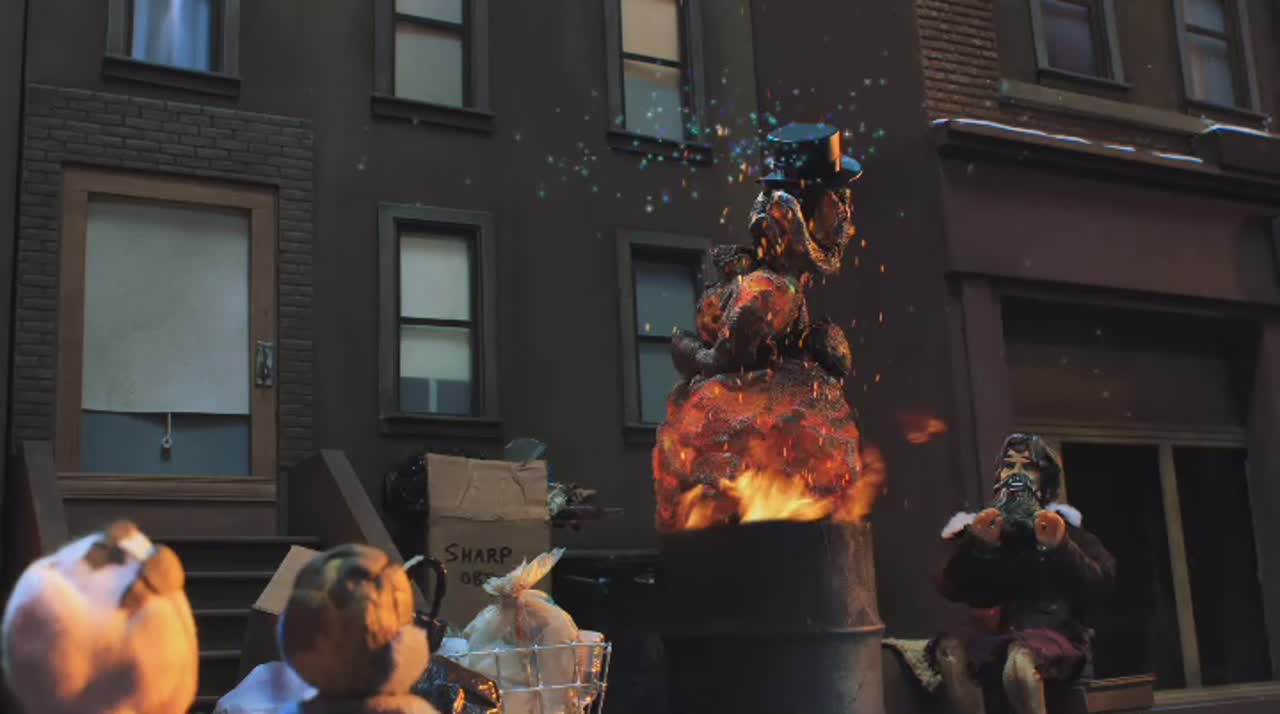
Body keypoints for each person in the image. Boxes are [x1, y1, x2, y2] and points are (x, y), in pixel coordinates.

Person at [930, 433, 1116, 714]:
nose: (1016, 475)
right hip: (999, 642)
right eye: (1009, 465)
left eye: (1027, 467)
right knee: (951, 652)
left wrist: (1061, 547)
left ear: (1045, 479)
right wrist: (978, 549)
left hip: (1058, 641)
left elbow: (1100, 585)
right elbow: (956, 588)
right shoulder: (992, 533)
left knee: (1020, 664)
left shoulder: (1071, 534)